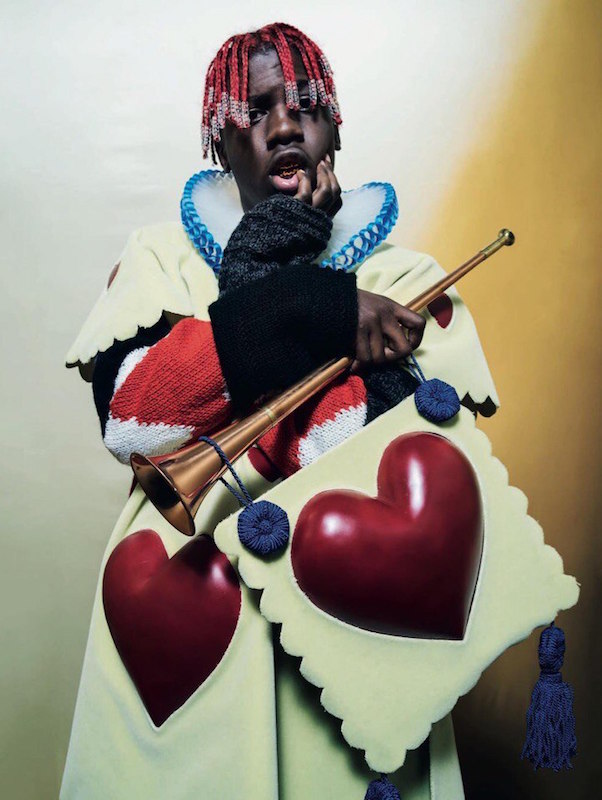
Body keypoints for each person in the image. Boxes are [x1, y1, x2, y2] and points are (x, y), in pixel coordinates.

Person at [61, 22, 498, 800]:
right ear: (219, 148)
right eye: (254, 109)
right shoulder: (160, 258)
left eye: (304, 104)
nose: (285, 124)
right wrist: (308, 301)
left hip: (351, 642)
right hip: (191, 632)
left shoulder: (407, 276)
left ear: (335, 124)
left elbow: (423, 462)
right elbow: (135, 420)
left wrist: (262, 313)